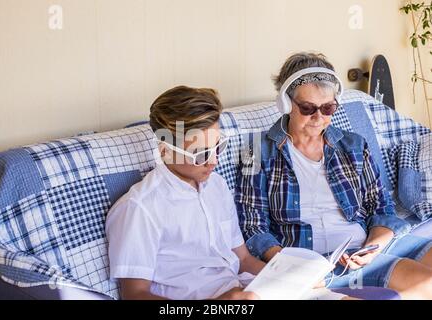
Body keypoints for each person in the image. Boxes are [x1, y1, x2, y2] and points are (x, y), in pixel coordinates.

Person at [235, 52, 432, 299]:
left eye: (328, 108)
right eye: (307, 108)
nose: (319, 118)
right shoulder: (256, 151)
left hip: (364, 248)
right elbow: (253, 226)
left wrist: (372, 248)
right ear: (285, 104)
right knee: (425, 284)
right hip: (316, 262)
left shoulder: (354, 145)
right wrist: (289, 266)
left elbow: (381, 208)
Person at [106, 86, 265, 300]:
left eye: (218, 147)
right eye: (201, 154)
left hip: (242, 291)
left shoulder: (217, 186)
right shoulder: (140, 208)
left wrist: (288, 278)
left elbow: (244, 260)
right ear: (165, 151)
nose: (214, 161)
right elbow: (135, 295)